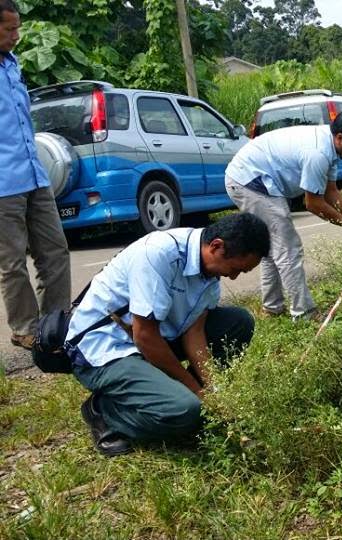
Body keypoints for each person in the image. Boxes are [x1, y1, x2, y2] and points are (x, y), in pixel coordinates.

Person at [66, 212, 271, 456]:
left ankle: (171, 395)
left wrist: (214, 390)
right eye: (235, 268)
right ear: (217, 246)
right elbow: (145, 337)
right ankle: (105, 412)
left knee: (237, 322)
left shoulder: (210, 271)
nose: (233, 277)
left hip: (152, 339)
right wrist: (195, 391)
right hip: (105, 349)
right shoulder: (159, 253)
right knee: (185, 411)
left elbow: (194, 333)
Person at [225, 109, 342, 320]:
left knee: (274, 246)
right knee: (288, 247)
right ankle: (304, 313)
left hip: (256, 179)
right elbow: (313, 203)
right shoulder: (318, 153)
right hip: (249, 180)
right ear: (340, 138)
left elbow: (331, 193)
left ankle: (272, 308)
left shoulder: (331, 149)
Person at [0, 0, 71, 350]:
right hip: (2, 185)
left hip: (34, 175)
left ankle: (56, 325)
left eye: (17, 28)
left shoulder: (12, 65)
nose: (16, 35)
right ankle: (25, 329)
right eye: (9, 29)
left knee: (55, 251)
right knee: (11, 263)